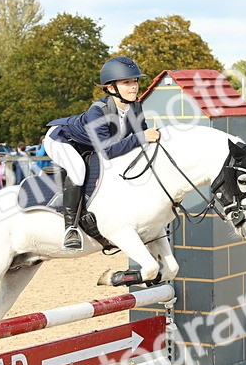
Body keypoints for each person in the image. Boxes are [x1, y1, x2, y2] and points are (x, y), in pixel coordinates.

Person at [43, 55, 160, 250]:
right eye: (127, 82)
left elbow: (141, 138)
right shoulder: (98, 110)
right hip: (62, 139)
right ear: (111, 88)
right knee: (78, 171)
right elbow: (108, 151)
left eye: (135, 81)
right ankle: (70, 229)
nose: (134, 86)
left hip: (89, 144)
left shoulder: (136, 106)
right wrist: (141, 137)